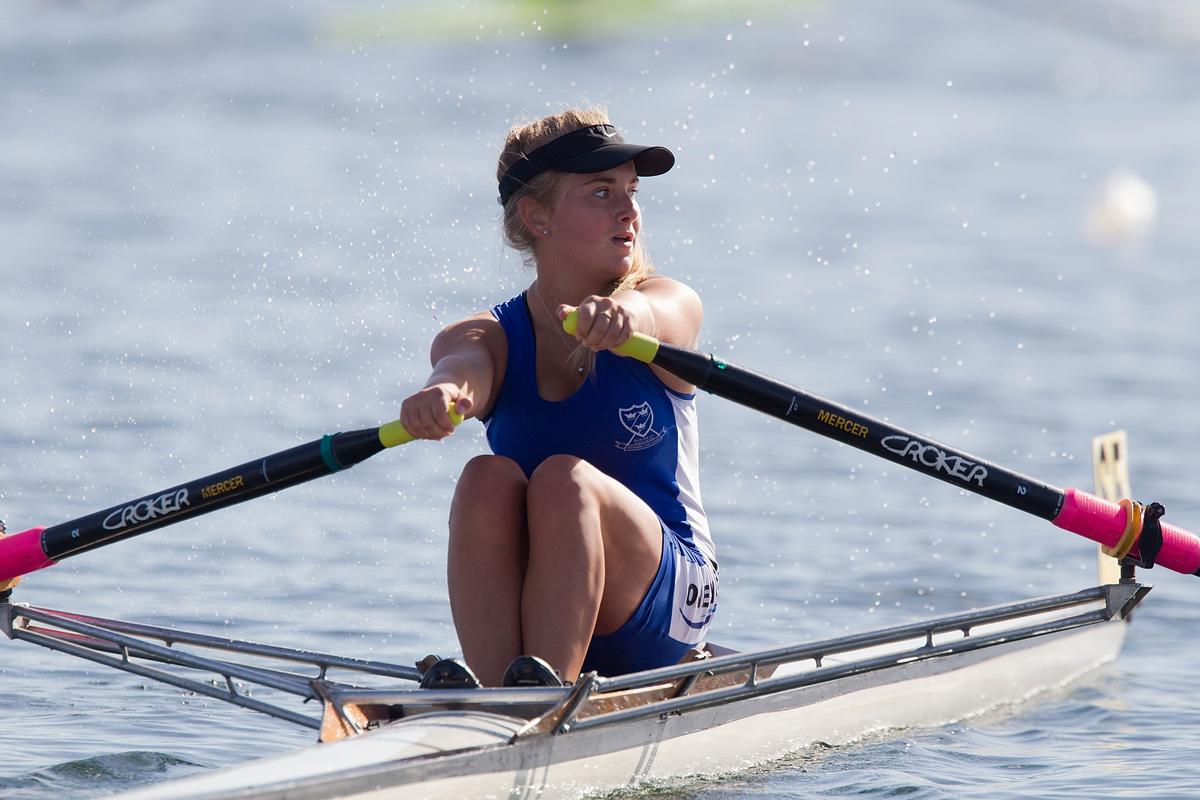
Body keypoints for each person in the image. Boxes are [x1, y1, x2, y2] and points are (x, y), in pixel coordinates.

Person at [399, 108, 717, 687]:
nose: (629, 211)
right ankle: (505, 699)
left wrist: (625, 319)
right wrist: (442, 395)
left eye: (632, 191)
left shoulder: (666, 303)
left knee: (563, 479)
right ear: (536, 217)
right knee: (485, 477)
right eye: (601, 192)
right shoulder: (486, 335)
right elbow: (461, 367)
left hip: (667, 602)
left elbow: (659, 315)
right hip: (549, 606)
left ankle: (540, 696)